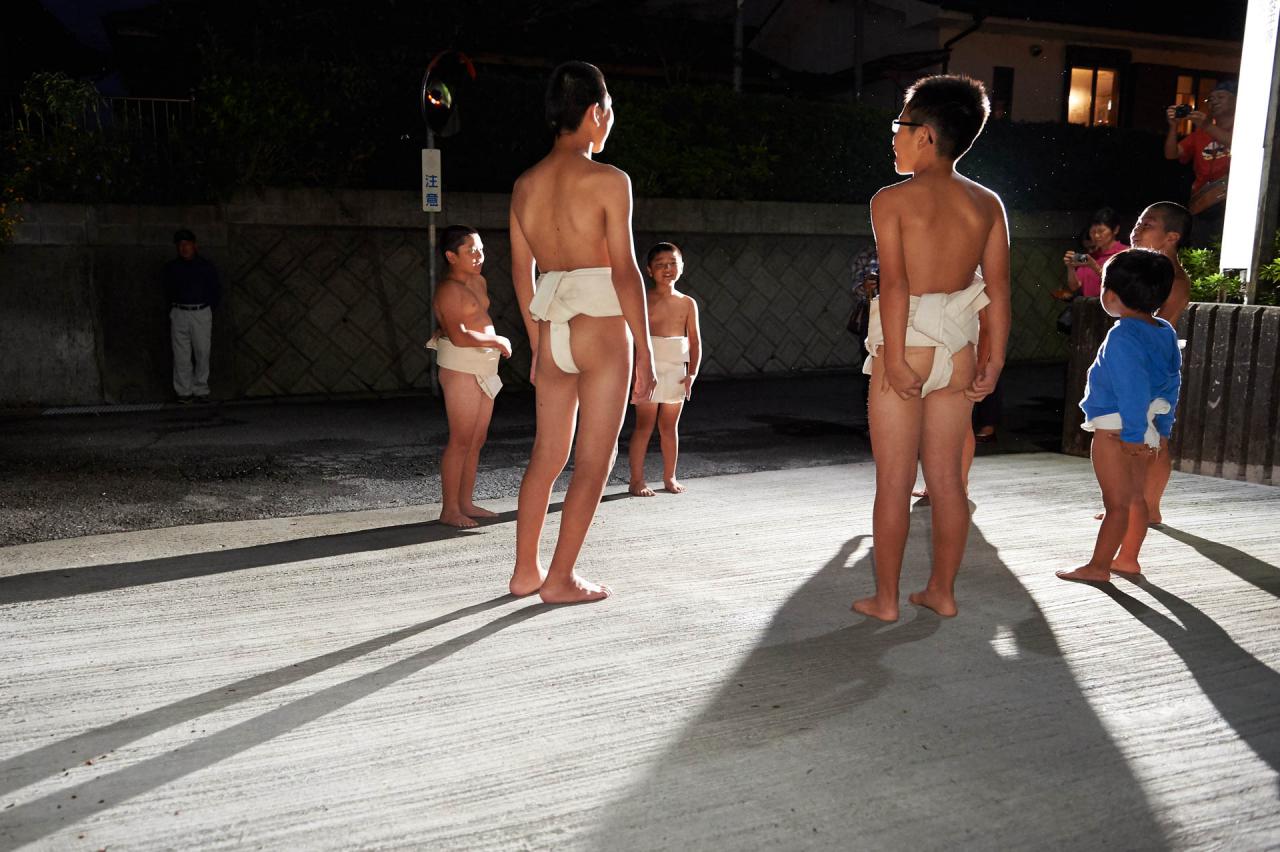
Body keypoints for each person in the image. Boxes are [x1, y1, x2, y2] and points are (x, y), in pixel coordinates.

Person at [851, 74, 1011, 622]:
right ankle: (942, 592)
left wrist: (895, 358)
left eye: (899, 127)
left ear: (925, 135)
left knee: (894, 484)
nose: (893, 138)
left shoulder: (891, 200)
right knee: (947, 482)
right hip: (959, 351)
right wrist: (994, 360)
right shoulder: (987, 203)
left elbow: (895, 284)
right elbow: (998, 290)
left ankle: (887, 600)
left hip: (908, 344)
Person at [507, 61, 657, 604]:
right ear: (595, 112)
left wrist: (536, 342)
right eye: (609, 109)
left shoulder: (524, 185)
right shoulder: (610, 181)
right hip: (601, 329)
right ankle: (561, 578)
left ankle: (526, 571)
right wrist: (646, 349)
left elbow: (521, 271)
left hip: (552, 326)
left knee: (547, 454)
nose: (610, 119)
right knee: (595, 459)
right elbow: (625, 271)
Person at [1057, 249, 1181, 585]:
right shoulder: (1164, 330)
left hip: (1118, 429)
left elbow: (1132, 387)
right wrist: (1161, 429)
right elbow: (1172, 382)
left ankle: (1098, 566)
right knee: (1136, 498)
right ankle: (1127, 559)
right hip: (1147, 426)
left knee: (1116, 504)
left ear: (1111, 295)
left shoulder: (1122, 335)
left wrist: (1131, 435)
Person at [1089, 202, 1190, 526]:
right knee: (1154, 437)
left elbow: (1156, 326)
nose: (1137, 228)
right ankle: (1136, 505)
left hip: (1146, 370)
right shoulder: (1152, 271)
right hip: (1151, 368)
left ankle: (1144, 506)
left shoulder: (1170, 279)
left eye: (1148, 224)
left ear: (1172, 236)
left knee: (1153, 440)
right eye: (1139, 221)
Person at [426, 225, 512, 528]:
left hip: (484, 365)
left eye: (481, 250)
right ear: (451, 256)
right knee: (461, 440)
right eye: (471, 251)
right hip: (460, 367)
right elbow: (459, 335)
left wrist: (491, 344)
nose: (479, 256)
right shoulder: (448, 289)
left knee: (477, 439)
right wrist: (496, 340)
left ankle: (465, 502)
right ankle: (449, 509)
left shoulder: (478, 280)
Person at [628, 242, 702, 496]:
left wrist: (692, 373)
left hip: (676, 368)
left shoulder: (688, 303)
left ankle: (670, 477)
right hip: (647, 367)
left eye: (672, 263)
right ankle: (636, 480)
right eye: (660, 265)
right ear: (649, 270)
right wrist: (636, 371)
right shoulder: (642, 300)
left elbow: (695, 341)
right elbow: (631, 338)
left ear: (682, 267)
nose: (667, 268)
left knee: (669, 427)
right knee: (644, 426)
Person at [1164, 80, 1235, 248]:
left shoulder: (1245, 128)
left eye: (1221, 97)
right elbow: (1171, 154)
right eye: (1211, 99)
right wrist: (1173, 127)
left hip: (1231, 203)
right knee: (1200, 252)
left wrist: (1207, 125)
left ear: (1236, 100)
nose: (1214, 101)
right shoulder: (1201, 133)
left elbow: (1236, 142)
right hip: (1203, 203)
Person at [163, 228, 220, 404]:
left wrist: (208, 308)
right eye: (180, 245)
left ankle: (201, 388)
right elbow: (166, 291)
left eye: (187, 244)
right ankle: (184, 391)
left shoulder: (205, 266)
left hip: (200, 311)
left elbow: (215, 290)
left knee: (202, 351)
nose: (184, 248)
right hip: (179, 311)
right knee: (181, 354)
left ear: (194, 245)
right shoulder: (172, 268)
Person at [1059, 207, 1127, 299]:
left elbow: (1120, 284)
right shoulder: (1090, 257)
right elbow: (1074, 286)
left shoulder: (1126, 253)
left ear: (1115, 230)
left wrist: (1093, 265)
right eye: (1092, 232)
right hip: (1090, 306)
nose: (1096, 236)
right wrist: (1070, 267)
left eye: (1101, 231)